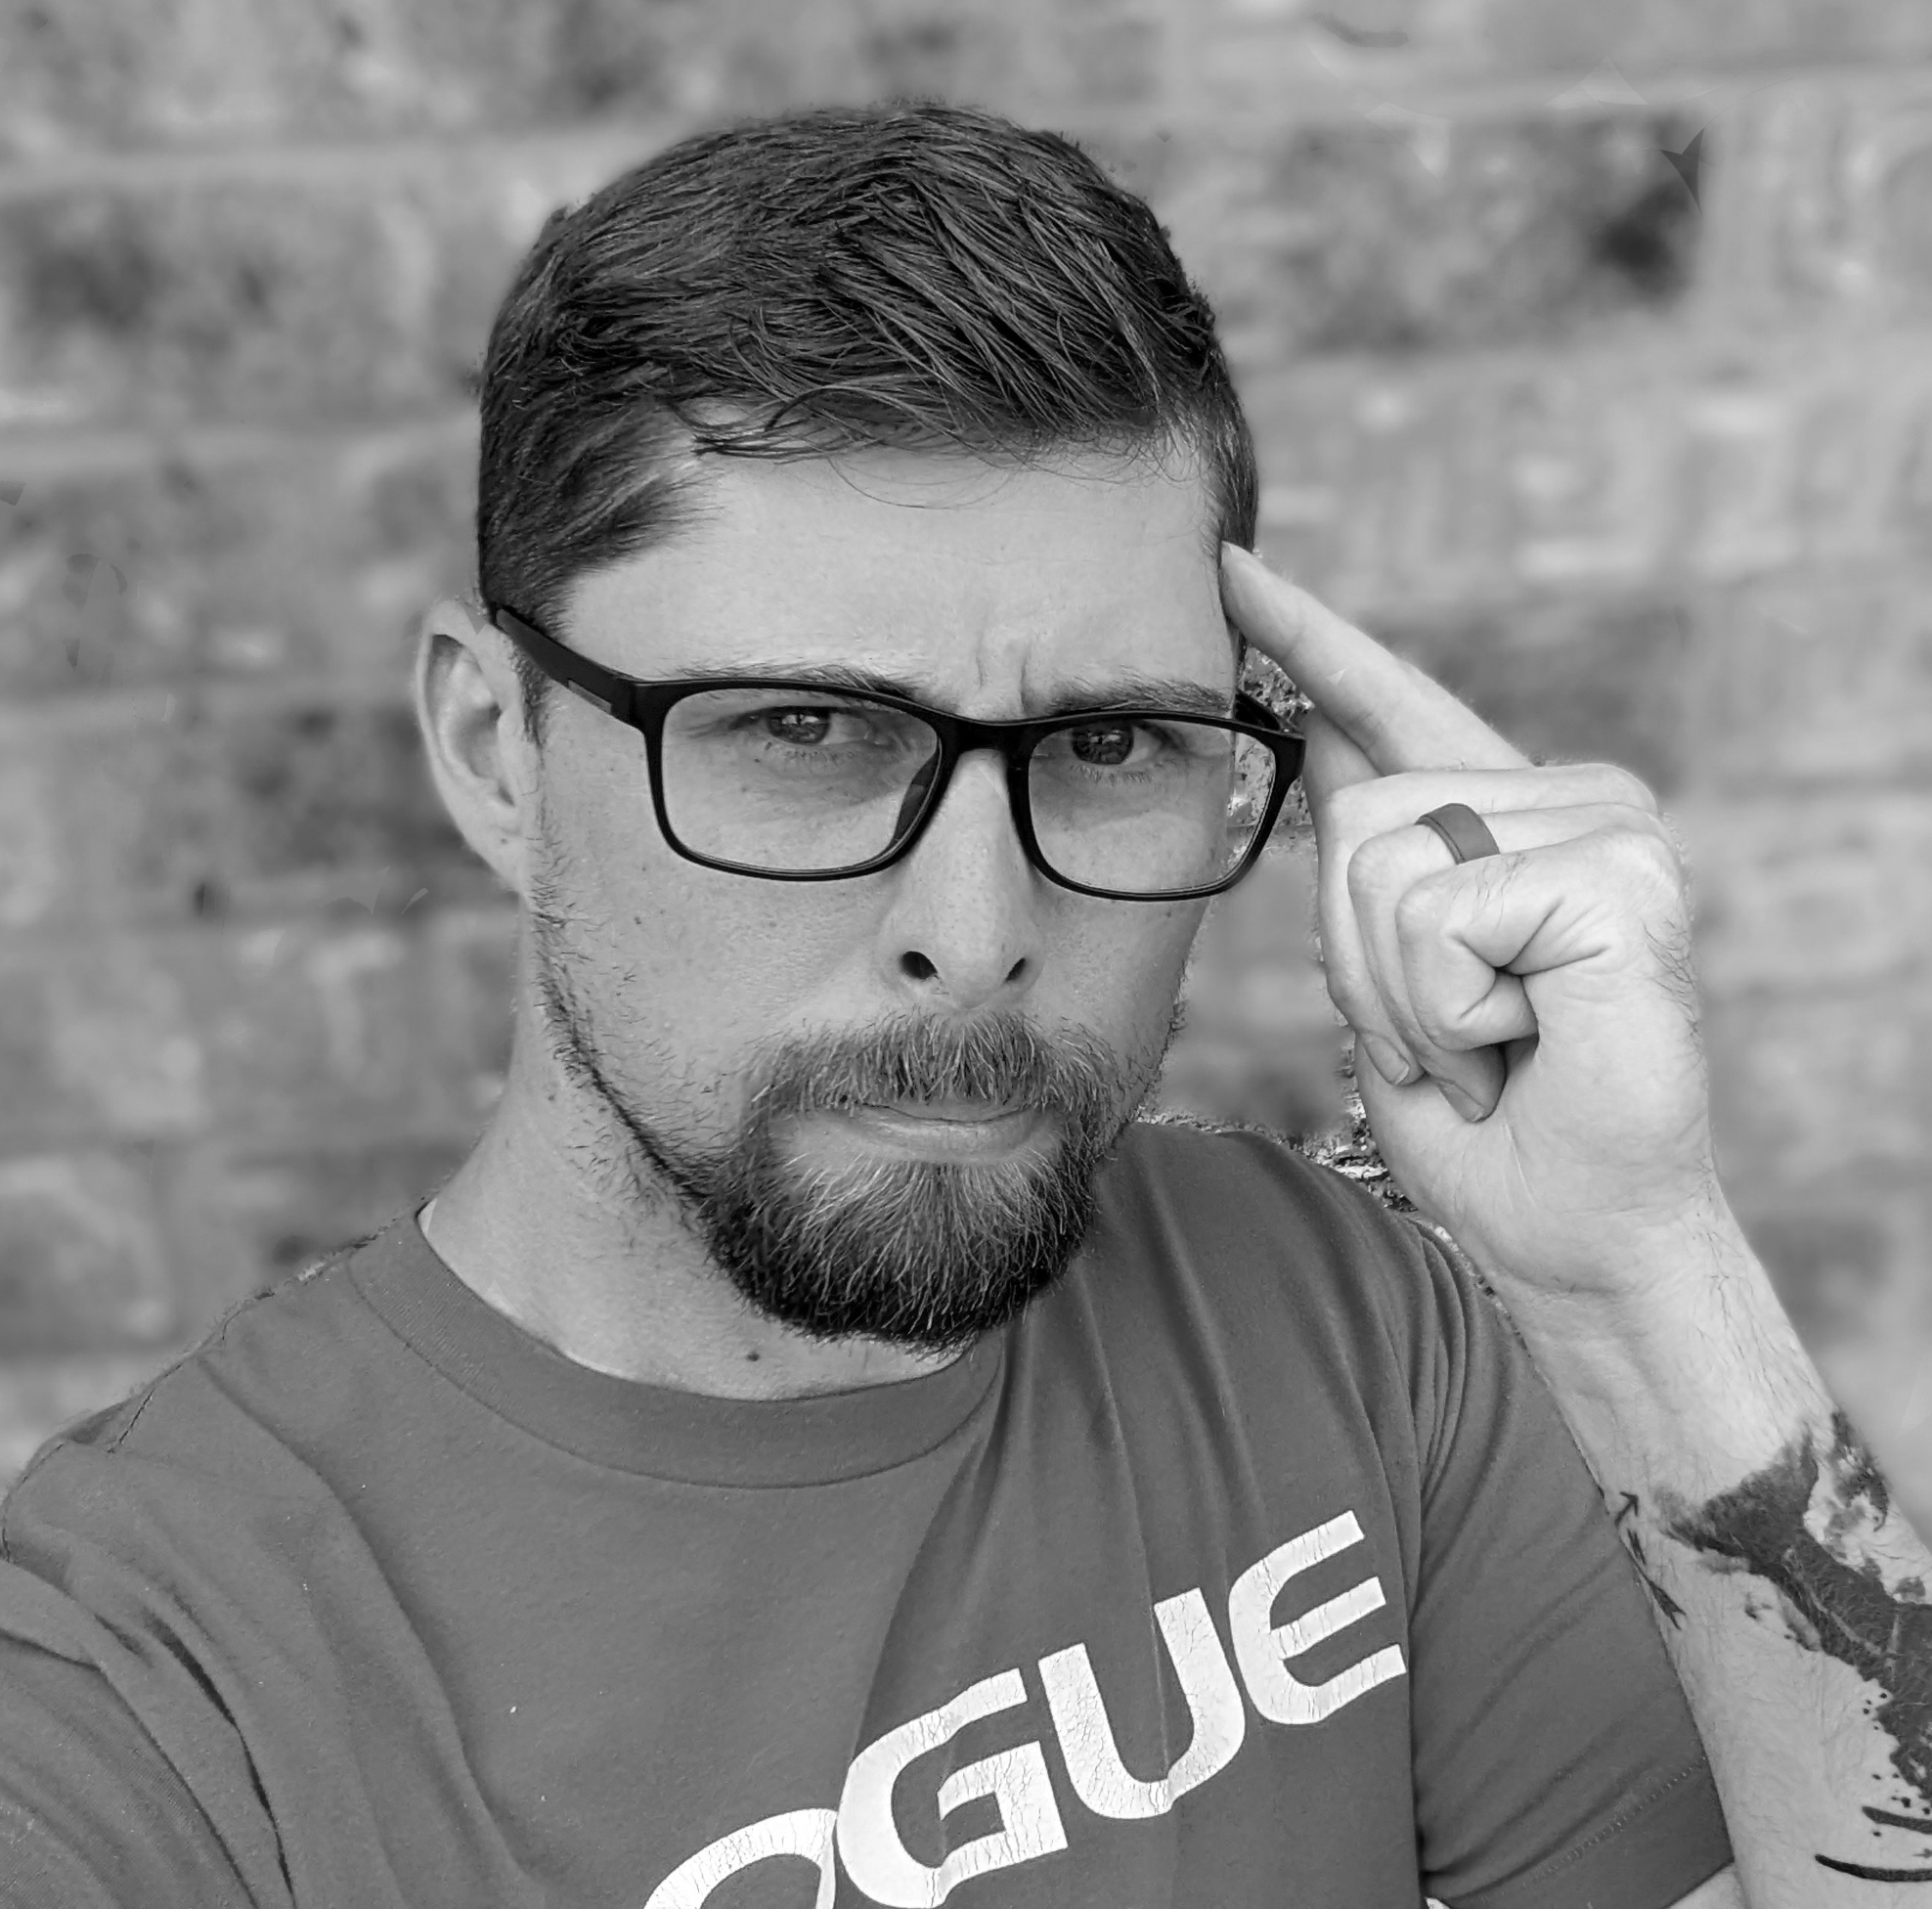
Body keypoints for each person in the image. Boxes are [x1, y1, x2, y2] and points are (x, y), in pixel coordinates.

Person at [0, 100, 1920, 1909]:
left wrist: (1638, 1265)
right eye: (803, 732)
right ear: (498, 749)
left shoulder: (1344, 1317)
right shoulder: (150, 1678)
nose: (977, 929)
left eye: (1109, 742)